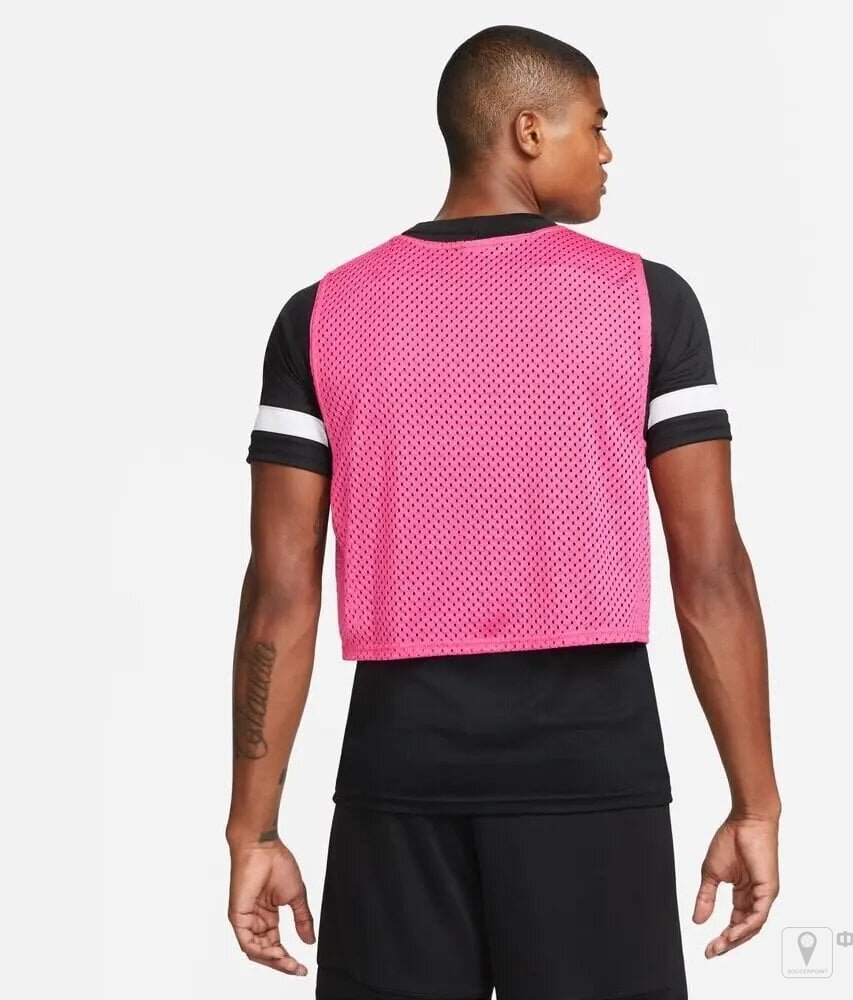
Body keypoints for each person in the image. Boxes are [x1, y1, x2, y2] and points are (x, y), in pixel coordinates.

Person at [226, 23, 780, 1000]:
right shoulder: (646, 303)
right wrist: (756, 803)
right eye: (595, 125)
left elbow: (280, 592)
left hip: (400, 771)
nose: (607, 151)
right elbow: (711, 572)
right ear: (529, 131)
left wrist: (252, 829)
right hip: (593, 765)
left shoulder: (322, 314)